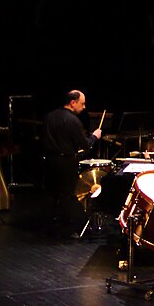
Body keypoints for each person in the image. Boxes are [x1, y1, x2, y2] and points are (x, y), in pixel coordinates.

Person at [42, 90, 102, 239]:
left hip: (49, 160)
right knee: (67, 195)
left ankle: (49, 228)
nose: (84, 107)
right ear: (73, 102)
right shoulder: (73, 121)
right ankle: (67, 230)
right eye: (82, 103)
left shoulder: (50, 116)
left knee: (51, 194)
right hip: (65, 162)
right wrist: (95, 136)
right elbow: (85, 145)